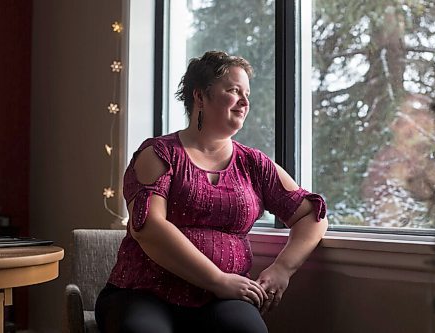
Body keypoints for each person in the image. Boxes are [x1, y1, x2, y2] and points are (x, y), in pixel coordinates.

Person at [94, 50, 328, 333]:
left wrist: (283, 269)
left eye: (247, 94)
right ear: (200, 97)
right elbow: (149, 228)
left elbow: (311, 215)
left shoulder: (254, 163)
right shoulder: (158, 154)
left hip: (222, 298)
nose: (244, 102)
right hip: (143, 292)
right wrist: (218, 279)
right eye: (233, 91)